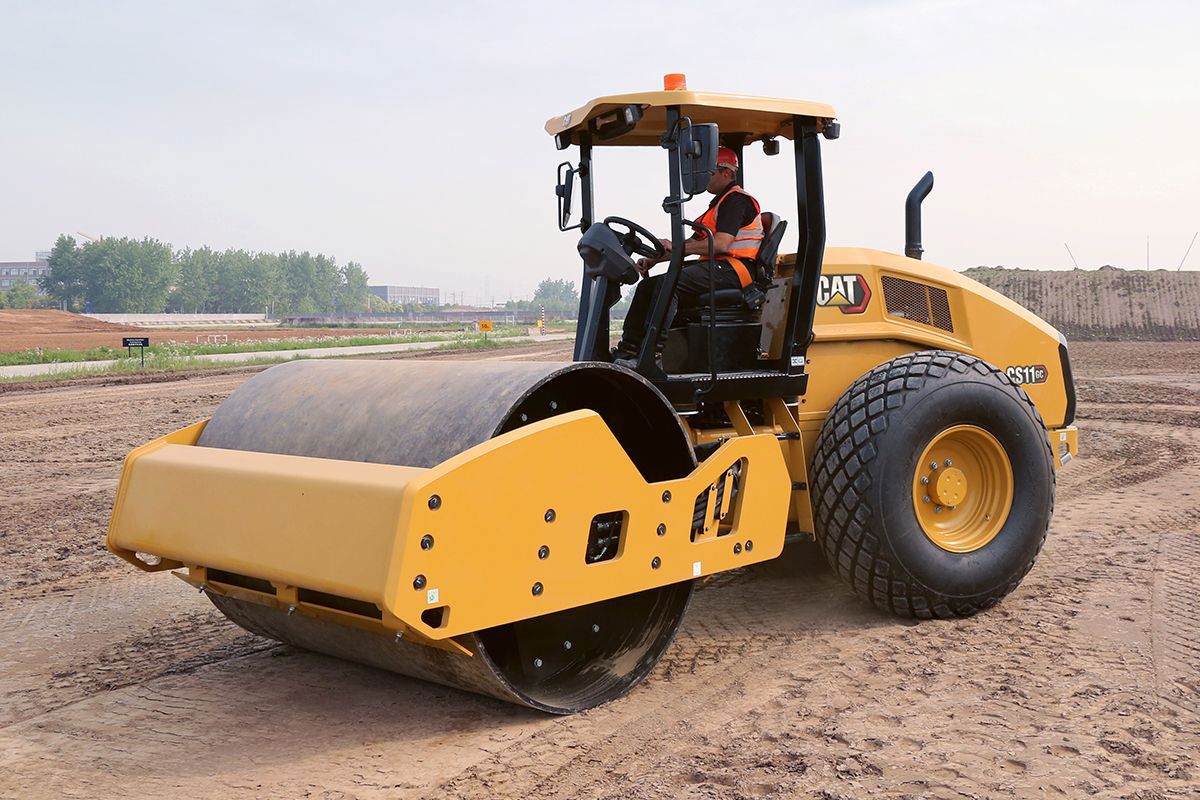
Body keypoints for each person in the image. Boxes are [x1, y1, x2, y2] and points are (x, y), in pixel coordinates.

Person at [612, 146, 763, 364]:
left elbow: (721, 244)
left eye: (708, 173)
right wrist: (656, 259)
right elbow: (692, 243)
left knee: (668, 285)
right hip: (720, 268)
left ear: (726, 173)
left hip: (735, 271)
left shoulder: (736, 201)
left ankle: (650, 354)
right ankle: (629, 349)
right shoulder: (719, 204)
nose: (704, 179)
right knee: (648, 286)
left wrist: (674, 247)